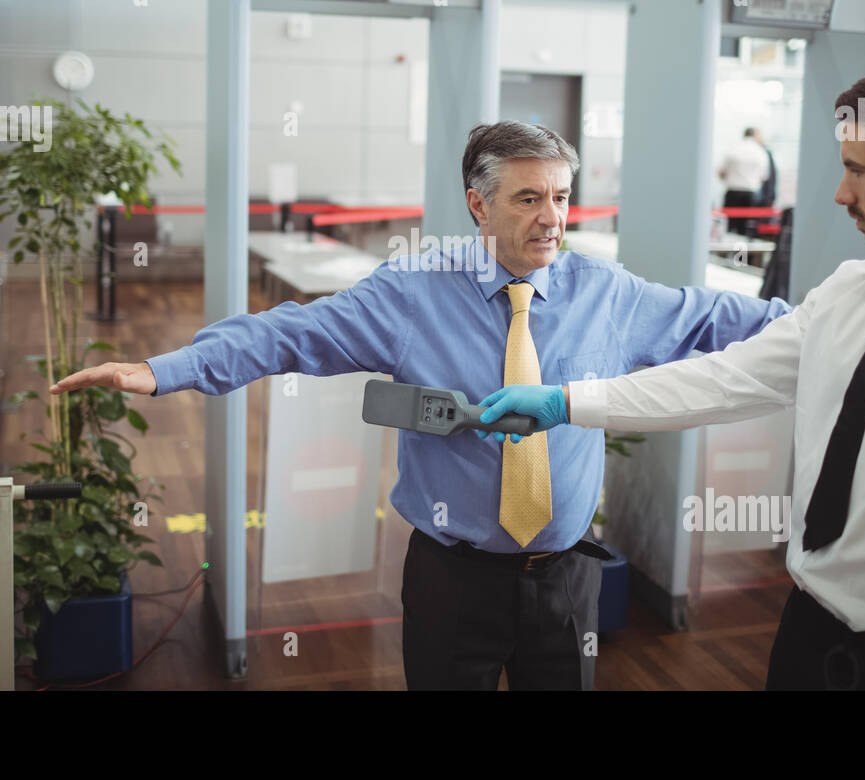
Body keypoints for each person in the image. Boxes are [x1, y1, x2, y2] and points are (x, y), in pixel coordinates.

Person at [50, 120, 790, 690]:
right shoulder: (412, 293)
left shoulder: (606, 292)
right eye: (528, 198)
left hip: (565, 579)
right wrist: (165, 369)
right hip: (452, 580)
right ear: (479, 204)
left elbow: (709, 317)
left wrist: (824, 325)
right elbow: (291, 333)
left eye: (560, 197)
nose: (552, 219)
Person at [478, 61, 865, 690]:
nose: (840, 194)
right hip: (805, 636)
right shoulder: (858, 291)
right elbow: (725, 379)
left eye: (857, 170)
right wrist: (566, 401)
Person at [718, 127, 770, 235]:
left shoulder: (733, 148)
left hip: (732, 193)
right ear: (755, 135)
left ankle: (731, 251)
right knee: (746, 230)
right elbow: (764, 176)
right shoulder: (760, 151)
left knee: (730, 228)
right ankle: (742, 252)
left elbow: (721, 172)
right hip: (750, 194)